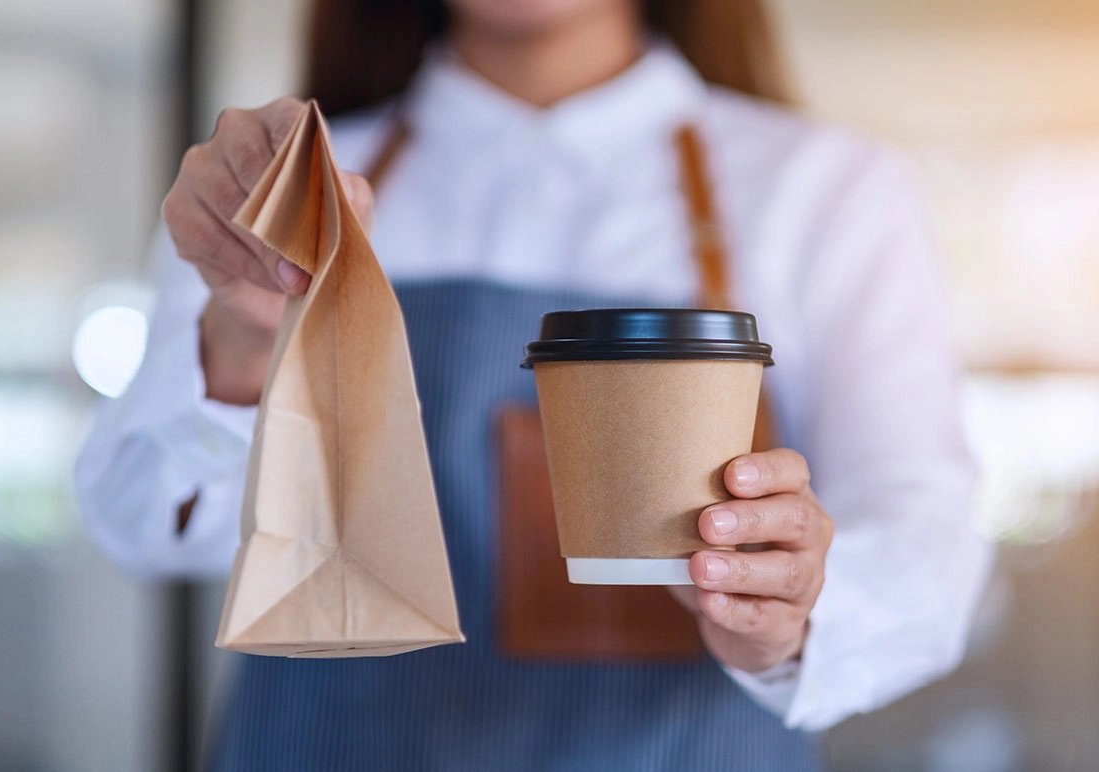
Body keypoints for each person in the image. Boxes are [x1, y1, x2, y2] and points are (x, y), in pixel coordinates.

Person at [75, 0, 993, 768]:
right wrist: (242, 336)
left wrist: (789, 617)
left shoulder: (828, 191)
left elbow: (925, 545)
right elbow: (150, 528)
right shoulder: (276, 194)